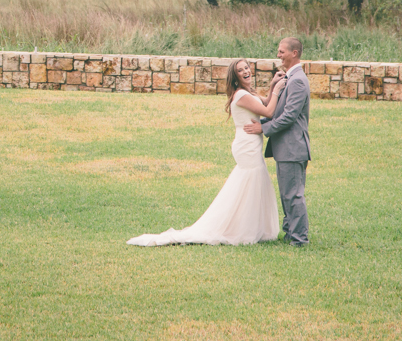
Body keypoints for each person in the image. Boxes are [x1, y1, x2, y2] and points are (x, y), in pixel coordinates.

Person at [127, 59, 285, 246]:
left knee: (253, 184)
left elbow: (264, 103)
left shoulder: (247, 93)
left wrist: (273, 84)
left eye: (247, 68)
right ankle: (241, 229)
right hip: (247, 146)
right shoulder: (241, 94)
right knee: (249, 184)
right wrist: (277, 91)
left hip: (250, 144)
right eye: (241, 70)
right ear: (235, 77)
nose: (246, 71)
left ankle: (253, 227)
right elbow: (268, 111)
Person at [244, 37, 310, 246]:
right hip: (286, 148)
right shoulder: (288, 78)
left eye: (282, 52)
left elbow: (289, 116)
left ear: (294, 53)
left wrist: (262, 128)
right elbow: (276, 110)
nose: (278, 55)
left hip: (293, 147)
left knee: (293, 195)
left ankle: (299, 239)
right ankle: (290, 233)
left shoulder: (298, 80)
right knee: (287, 194)